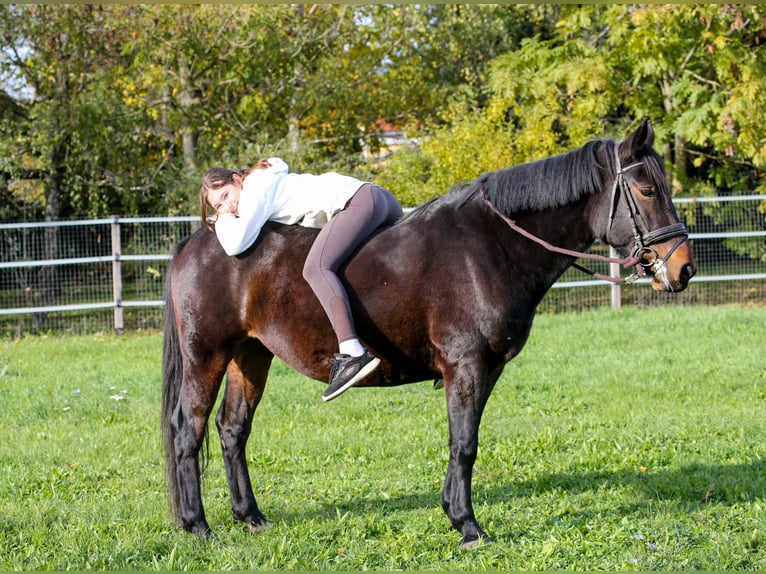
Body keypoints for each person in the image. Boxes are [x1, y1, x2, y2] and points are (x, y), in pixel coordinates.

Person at [199, 157, 403, 401]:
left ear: (236, 179)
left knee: (316, 269)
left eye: (225, 196)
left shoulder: (255, 189)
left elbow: (235, 243)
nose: (227, 207)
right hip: (381, 199)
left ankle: (352, 353)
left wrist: (220, 222)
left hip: (358, 203)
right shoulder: (264, 181)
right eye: (218, 208)